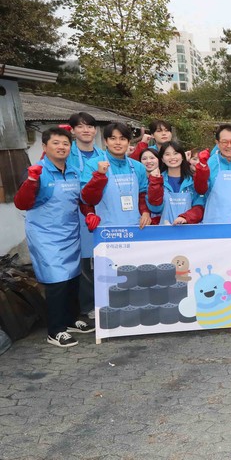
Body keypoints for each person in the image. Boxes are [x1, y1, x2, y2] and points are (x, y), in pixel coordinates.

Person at [14, 127, 95, 347]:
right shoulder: (37, 171)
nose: (61, 147)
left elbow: (81, 200)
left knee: (72, 279)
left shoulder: (73, 172)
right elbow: (22, 203)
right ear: (45, 146)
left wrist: (89, 213)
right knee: (57, 281)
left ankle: (70, 320)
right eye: (56, 143)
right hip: (45, 236)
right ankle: (55, 330)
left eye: (65, 143)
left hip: (70, 233)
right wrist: (31, 181)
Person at [66, 112, 107, 319]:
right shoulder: (67, 153)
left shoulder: (103, 155)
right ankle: (87, 306)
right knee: (81, 261)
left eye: (90, 126)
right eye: (80, 126)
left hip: (99, 211)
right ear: (73, 130)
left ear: (96, 130)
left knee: (99, 259)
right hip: (73, 212)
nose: (86, 130)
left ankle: (103, 302)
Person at [81, 123, 152, 229]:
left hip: (136, 227)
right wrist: (99, 176)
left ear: (128, 142)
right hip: (106, 229)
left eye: (122, 139)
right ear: (106, 141)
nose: (118, 143)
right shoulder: (93, 165)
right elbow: (87, 199)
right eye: (113, 138)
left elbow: (143, 194)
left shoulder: (138, 166)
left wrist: (145, 212)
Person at [146, 141, 205, 225]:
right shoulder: (156, 180)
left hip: (189, 229)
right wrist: (155, 183)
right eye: (167, 154)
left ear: (183, 156)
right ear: (162, 159)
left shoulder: (193, 181)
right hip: (164, 230)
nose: (172, 157)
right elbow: (155, 208)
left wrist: (185, 218)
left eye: (176, 153)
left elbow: (199, 207)